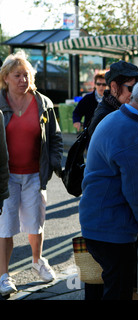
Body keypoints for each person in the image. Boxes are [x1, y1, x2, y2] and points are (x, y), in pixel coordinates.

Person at [79, 74, 138, 300]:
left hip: (101, 222)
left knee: (102, 289)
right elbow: (136, 192)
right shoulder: (134, 133)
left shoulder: (120, 119)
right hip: (112, 229)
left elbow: (118, 174)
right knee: (118, 292)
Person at [0, 51, 63, 296]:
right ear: (5, 77)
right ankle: (4, 275)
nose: (23, 80)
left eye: (26, 75)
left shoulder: (42, 103)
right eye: (17, 75)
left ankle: (37, 261)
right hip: (6, 177)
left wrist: (55, 162)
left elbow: (55, 137)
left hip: (35, 174)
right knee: (5, 227)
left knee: (35, 223)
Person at [87, 60, 138, 140]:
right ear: (114, 87)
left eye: (137, 88)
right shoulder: (105, 116)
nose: (134, 93)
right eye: (131, 88)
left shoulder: (121, 109)